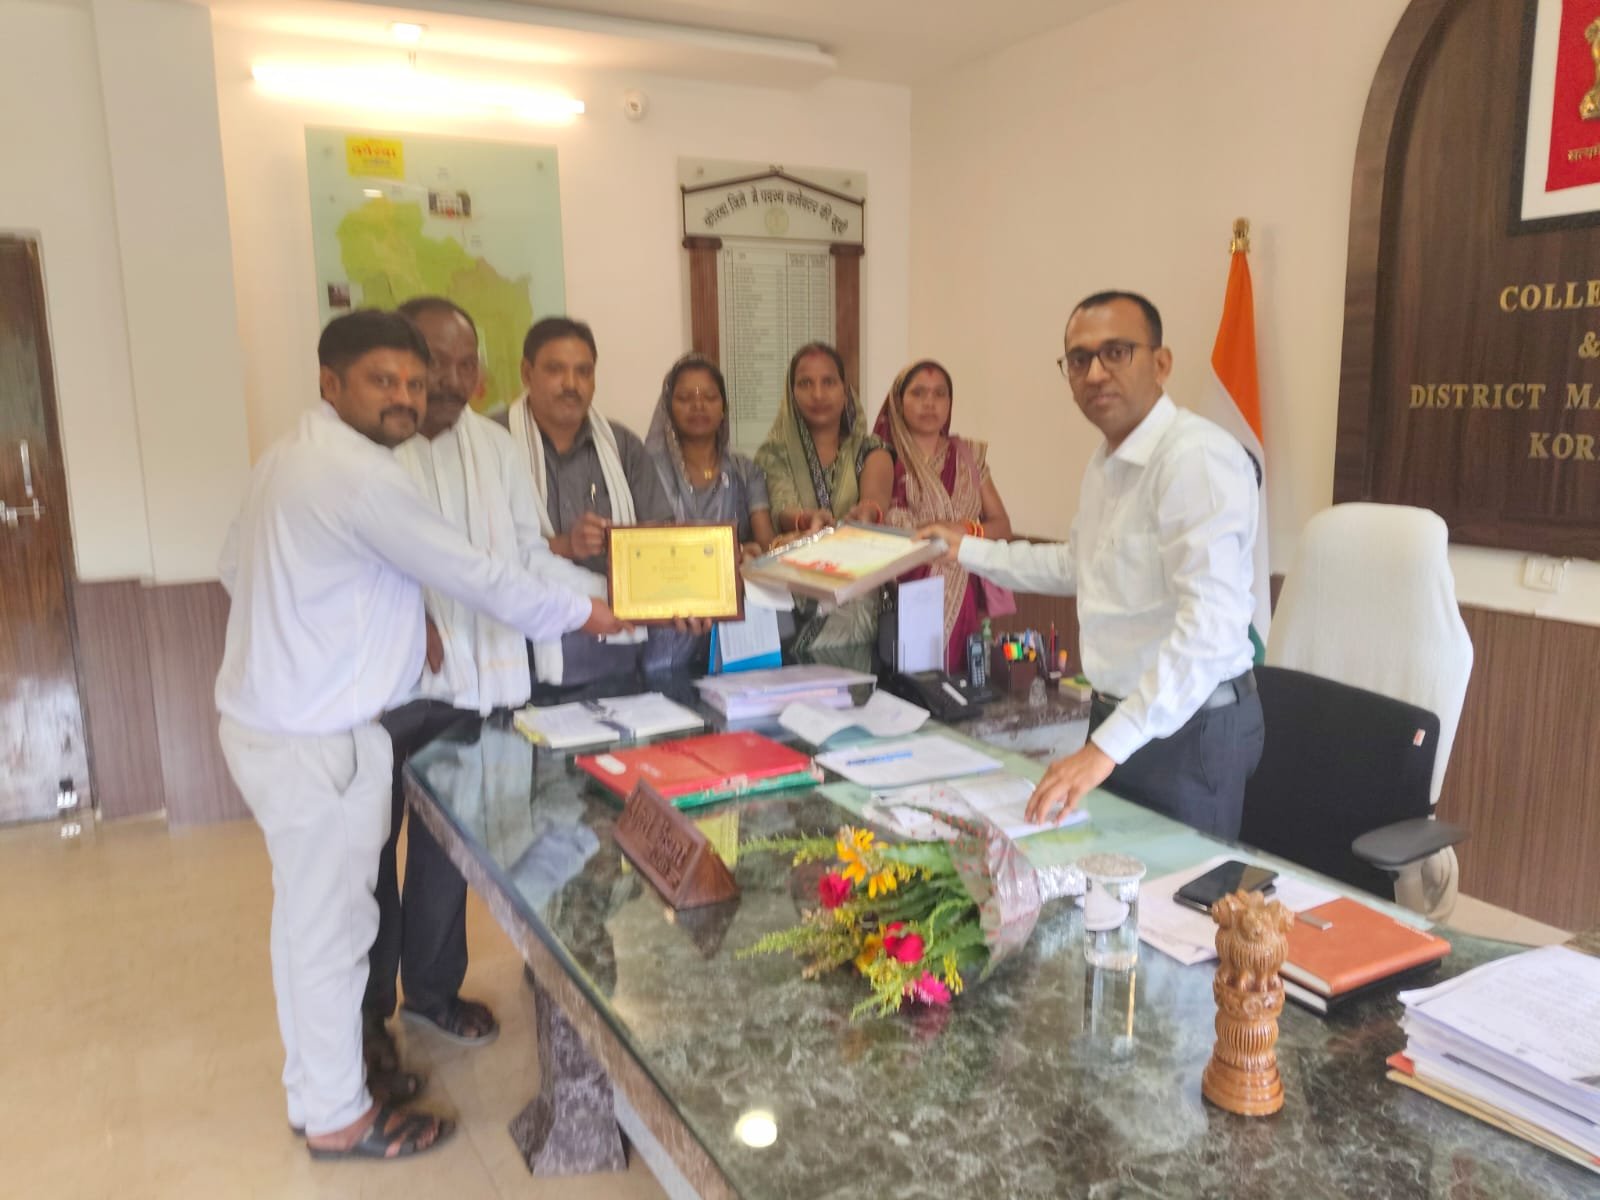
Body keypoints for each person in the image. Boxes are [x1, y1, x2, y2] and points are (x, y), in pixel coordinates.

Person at [215, 310, 628, 1161]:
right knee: (333, 933)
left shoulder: (291, 456)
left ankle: (318, 1093)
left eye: (418, 379)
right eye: (387, 380)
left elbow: (234, 566)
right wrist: (595, 611)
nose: (409, 394)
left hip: (287, 723)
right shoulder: (359, 475)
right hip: (314, 735)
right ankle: (340, 1116)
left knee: (309, 927)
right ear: (332, 383)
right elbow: (475, 575)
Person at [920, 291, 1262, 839]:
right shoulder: (1106, 462)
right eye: (1079, 359)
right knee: (1106, 874)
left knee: (1180, 889)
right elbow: (1077, 566)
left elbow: (1209, 629)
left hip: (1188, 727)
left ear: (1161, 363)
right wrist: (963, 550)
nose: (1095, 373)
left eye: (1116, 352)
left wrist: (1104, 749)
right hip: (1123, 718)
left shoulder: (1194, 458)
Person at [362, 298, 601, 1068]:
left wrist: (612, 601)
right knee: (368, 859)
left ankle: (432, 992)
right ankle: (366, 1015)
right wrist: (408, 618)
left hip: (481, 682)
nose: (452, 379)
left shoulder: (495, 447)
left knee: (453, 851)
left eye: (466, 364)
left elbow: (526, 556)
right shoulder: (365, 452)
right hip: (387, 692)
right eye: (436, 363)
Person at [503, 317, 678, 692]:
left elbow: (662, 538)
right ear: (527, 373)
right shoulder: (493, 442)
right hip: (518, 658)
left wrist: (678, 589)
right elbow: (477, 557)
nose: (571, 384)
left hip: (613, 653)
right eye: (556, 369)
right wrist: (565, 545)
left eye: (583, 371)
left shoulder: (622, 445)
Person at [874, 359, 1016, 673]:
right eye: (918, 393)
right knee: (908, 683)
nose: (930, 403)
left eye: (940, 394)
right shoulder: (882, 458)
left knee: (958, 682)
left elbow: (1002, 526)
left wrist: (964, 529)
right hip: (902, 594)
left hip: (961, 593)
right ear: (898, 401)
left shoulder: (968, 456)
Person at [755, 342, 894, 661]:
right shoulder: (773, 455)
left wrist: (868, 512)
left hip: (858, 611)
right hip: (792, 607)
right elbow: (781, 507)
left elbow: (876, 497)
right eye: (805, 383)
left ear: (845, 390)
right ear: (791, 393)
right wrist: (805, 520)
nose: (818, 394)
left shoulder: (871, 449)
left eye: (828, 382)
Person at [646, 352, 775, 559]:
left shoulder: (746, 472)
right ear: (668, 409)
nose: (698, 406)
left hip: (734, 578)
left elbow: (766, 547)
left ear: (724, 407)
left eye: (710, 397)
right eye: (685, 398)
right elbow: (643, 544)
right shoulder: (649, 471)